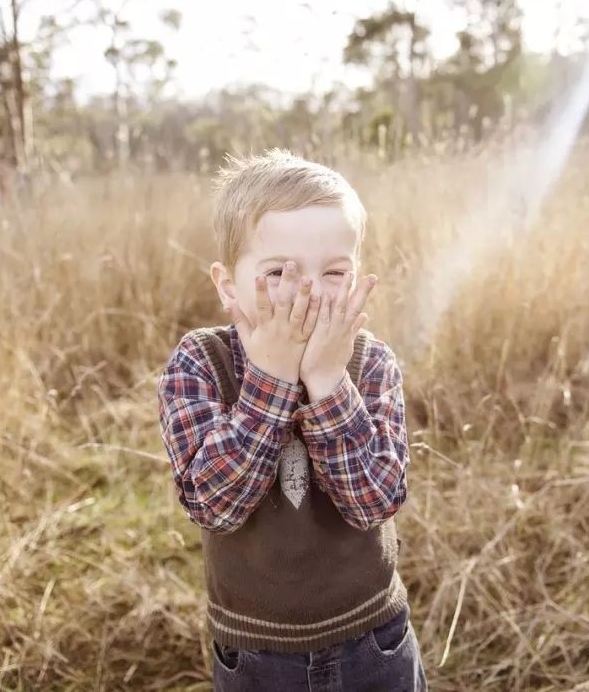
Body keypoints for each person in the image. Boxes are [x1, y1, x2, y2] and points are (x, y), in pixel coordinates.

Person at [156, 148, 427, 691]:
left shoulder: (369, 362)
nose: (308, 291)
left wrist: (328, 381)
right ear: (228, 285)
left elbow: (375, 500)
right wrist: (272, 379)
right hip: (258, 656)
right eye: (279, 270)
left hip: (373, 639)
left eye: (334, 272)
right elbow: (215, 505)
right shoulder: (200, 363)